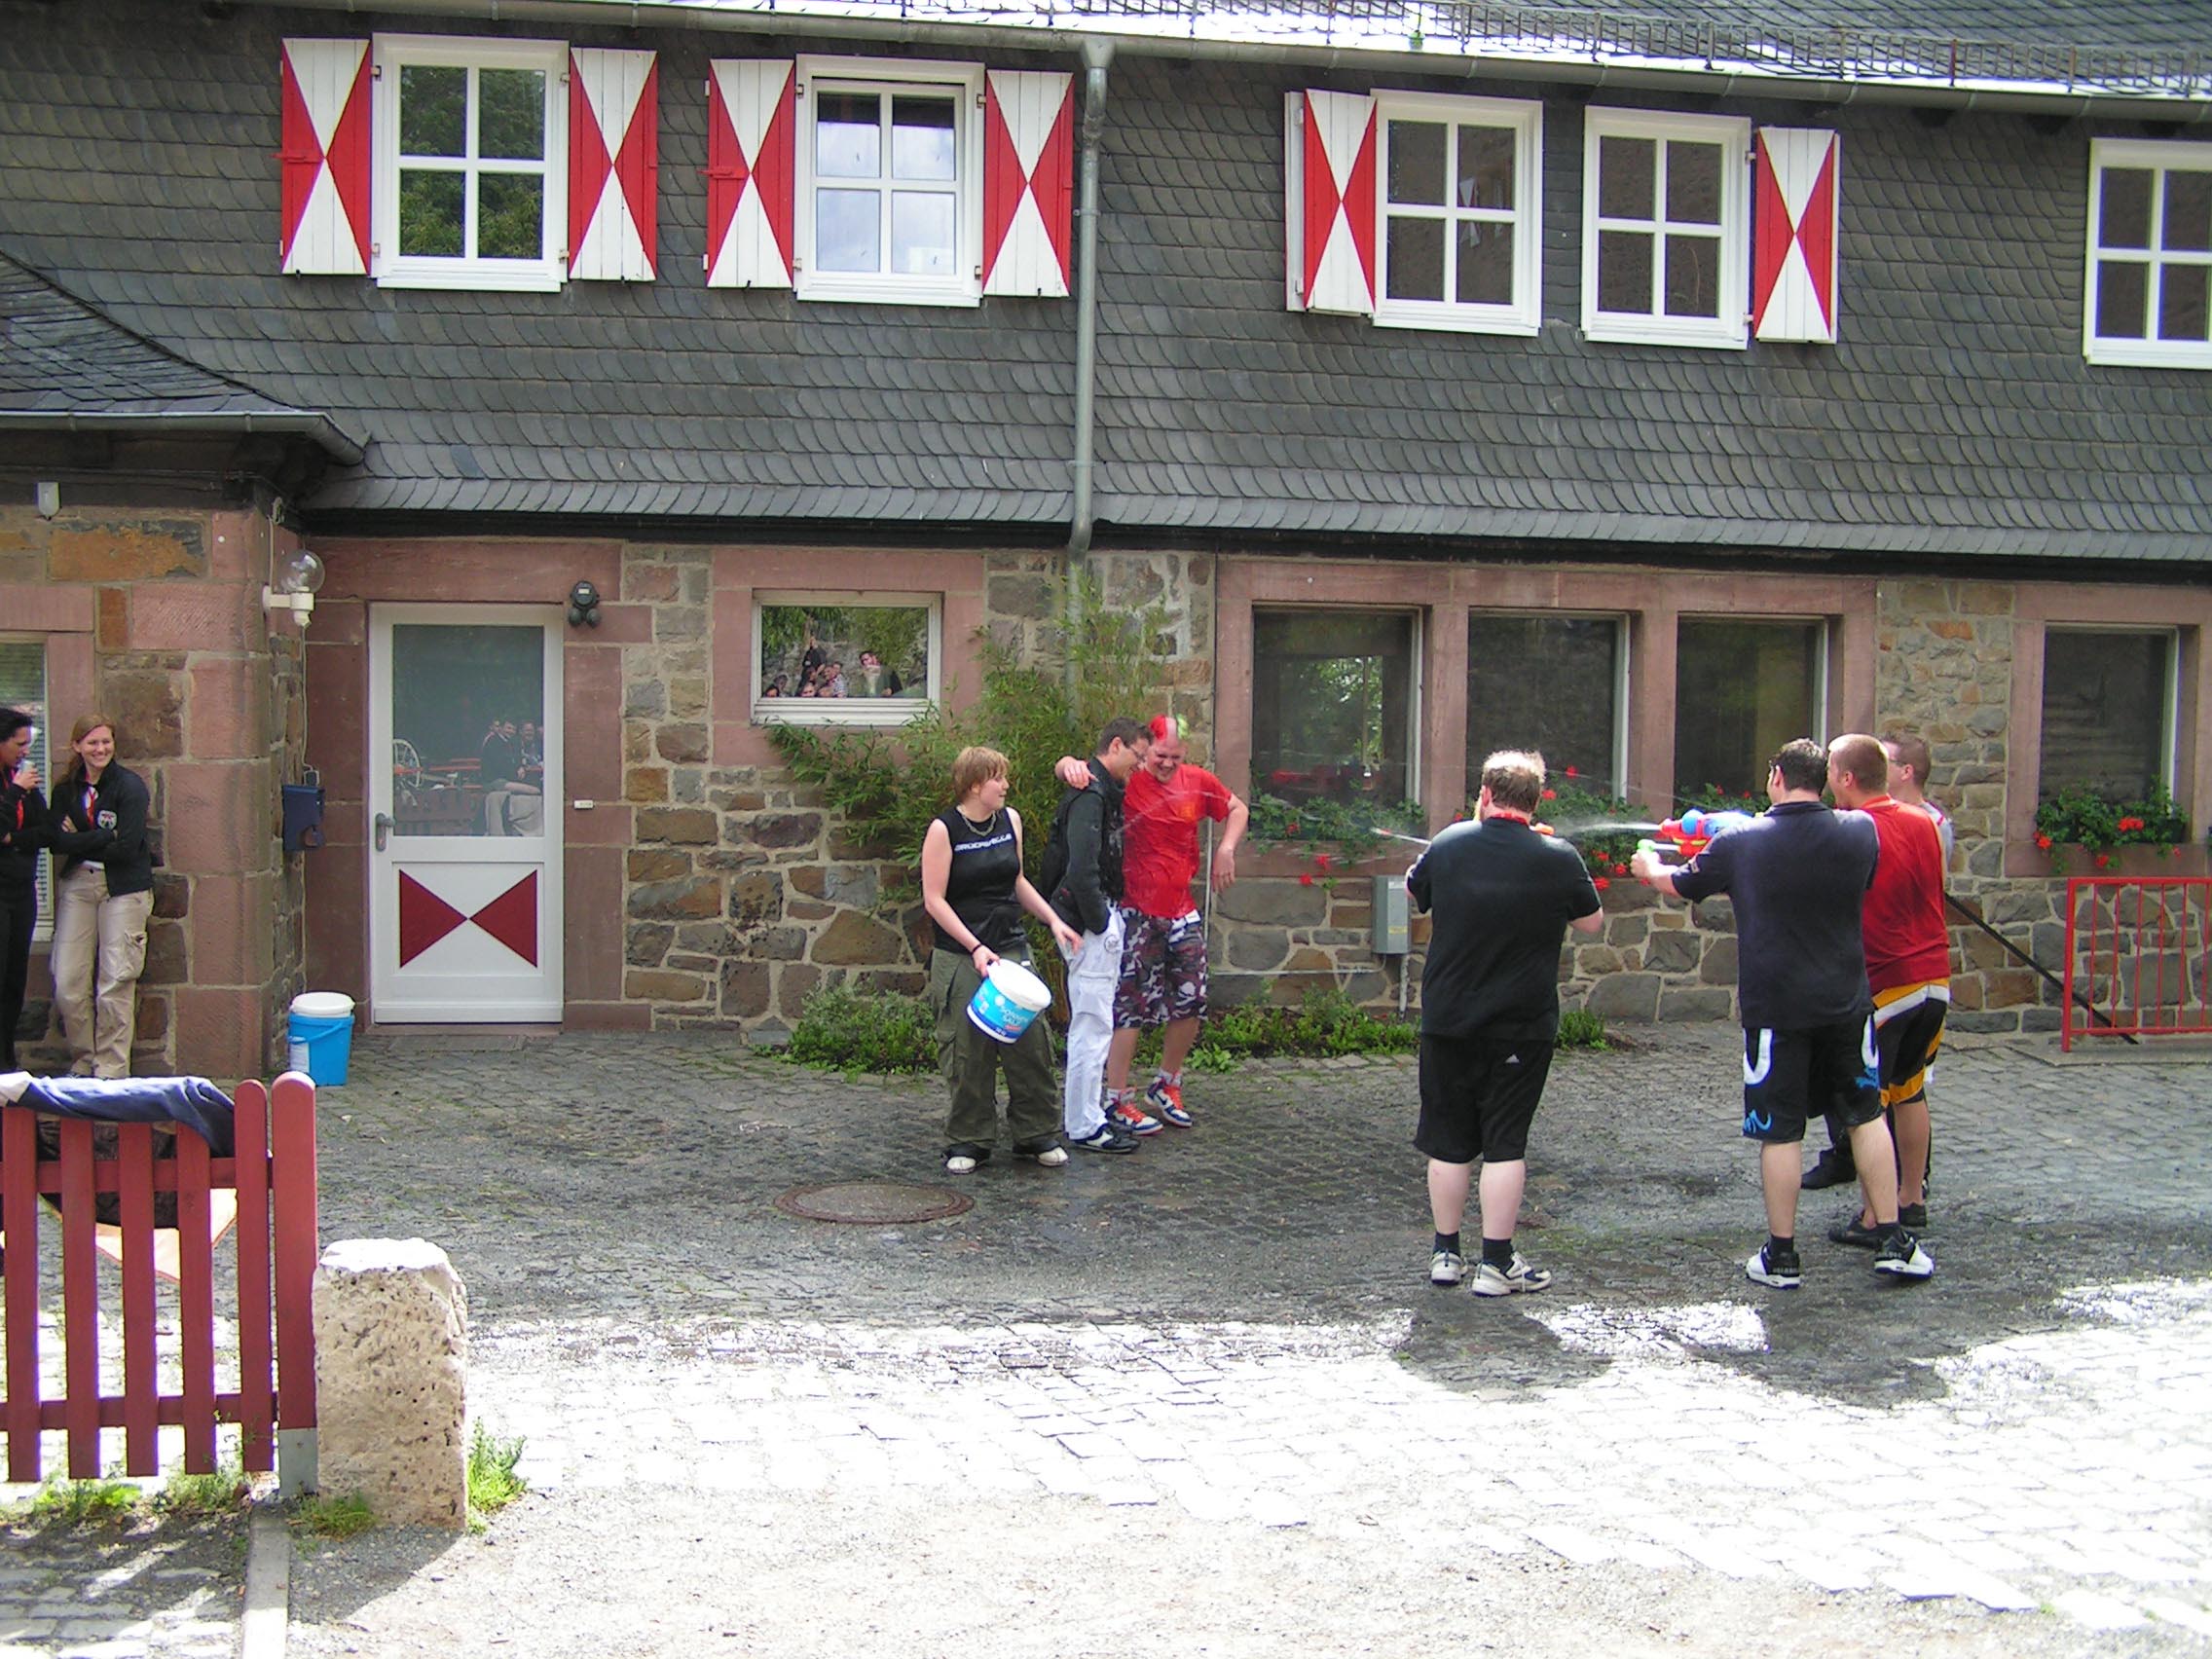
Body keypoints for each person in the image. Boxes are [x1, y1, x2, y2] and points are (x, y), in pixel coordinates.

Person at [1630, 739, 1933, 1287]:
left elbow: (1679, 883)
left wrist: (1649, 865)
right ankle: (1893, 1240)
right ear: (1823, 779)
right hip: (1846, 1003)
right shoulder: (1860, 832)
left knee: (1781, 1131)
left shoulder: (1740, 841)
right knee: (1865, 1115)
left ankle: (1783, 1255)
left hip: (1776, 1010)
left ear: (1776, 776)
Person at [1409, 751, 1604, 1294]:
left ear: (1486, 794)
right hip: (1522, 1024)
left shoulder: (1449, 843)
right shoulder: (1558, 857)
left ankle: (1445, 1255)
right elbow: (1591, 922)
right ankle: (1496, 1264)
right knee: (1504, 1143)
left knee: (1447, 1141)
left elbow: (1415, 891)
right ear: (1536, 801)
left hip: (1449, 1019)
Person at [1059, 715, 1249, 1134]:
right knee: (1128, 1005)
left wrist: (1227, 849)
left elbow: (1237, 808)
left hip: (1181, 909)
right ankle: (1117, 1097)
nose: (1166, 764)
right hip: (1135, 909)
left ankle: (1167, 1083)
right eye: (1159, 755)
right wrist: (1066, 765)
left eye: (1175, 757)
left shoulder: (1198, 781)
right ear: (1145, 752)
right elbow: (1081, 771)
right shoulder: (1128, 778)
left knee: (1192, 996)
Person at [1803, 728, 1955, 1193]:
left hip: (1887, 982)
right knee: (1911, 1092)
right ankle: (1911, 1198)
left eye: (1830, 770)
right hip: (1934, 978)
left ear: (1847, 778)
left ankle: (1877, 1214)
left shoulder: (1852, 829)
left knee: (1869, 1105)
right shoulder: (1926, 822)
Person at [920, 746, 1083, 1175]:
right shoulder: (944, 830)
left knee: (1031, 1044)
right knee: (967, 1049)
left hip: (1009, 947)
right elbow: (934, 900)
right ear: (976, 785)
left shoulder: (1010, 821)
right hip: (962, 954)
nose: (1006, 785)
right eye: (998, 778)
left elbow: (1017, 881)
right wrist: (974, 946)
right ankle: (969, 1140)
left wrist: (1053, 920)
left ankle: (1036, 1133)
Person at [1046, 718, 1151, 1155]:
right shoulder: (1091, 794)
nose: (1139, 767)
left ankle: (1087, 1117)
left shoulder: (1098, 789)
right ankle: (1085, 1124)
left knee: (1094, 1024)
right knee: (1092, 1025)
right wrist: (1102, 924)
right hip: (1088, 921)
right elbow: (1082, 870)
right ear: (1116, 745)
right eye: (1137, 757)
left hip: (1088, 917)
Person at [47, 714, 155, 1080]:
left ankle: (110, 1069)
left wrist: (79, 837)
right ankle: (83, 1061)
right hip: (79, 884)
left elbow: (127, 846)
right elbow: (55, 842)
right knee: (68, 981)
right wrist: (102, 836)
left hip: (122, 888)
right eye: (92, 742)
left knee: (115, 981)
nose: (100, 749)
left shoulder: (129, 787)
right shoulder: (66, 790)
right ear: (77, 746)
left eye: (106, 741)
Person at [0, 709, 49, 1072]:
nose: (25, 751)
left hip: (21, 890)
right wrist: (15, 791)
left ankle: (7, 1058)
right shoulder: (15, 785)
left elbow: (45, 830)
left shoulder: (22, 780)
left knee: (14, 979)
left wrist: (13, 839)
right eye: (19, 744)